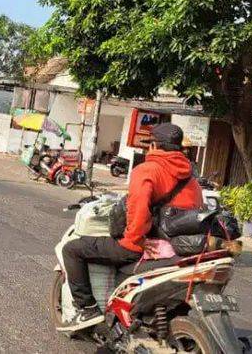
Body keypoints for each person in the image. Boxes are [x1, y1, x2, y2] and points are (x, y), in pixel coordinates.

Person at [58, 123, 203, 331]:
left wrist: (136, 242)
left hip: (145, 246)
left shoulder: (147, 170)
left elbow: (138, 212)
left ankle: (86, 309)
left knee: (72, 249)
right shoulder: (191, 177)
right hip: (179, 247)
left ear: (153, 146)